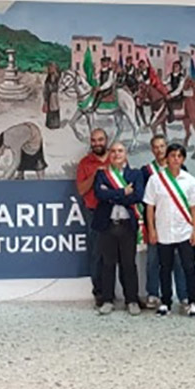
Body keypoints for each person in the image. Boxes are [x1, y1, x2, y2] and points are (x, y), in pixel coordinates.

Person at [144, 143, 195, 317]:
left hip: (184, 231)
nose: (176, 159)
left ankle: (193, 301)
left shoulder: (190, 180)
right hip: (163, 232)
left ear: (183, 159)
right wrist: (152, 230)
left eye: (179, 156)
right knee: (165, 268)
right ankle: (166, 302)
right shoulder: (155, 180)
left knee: (189, 267)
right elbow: (149, 207)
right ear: (167, 158)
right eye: (172, 156)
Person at [92, 141, 145, 315]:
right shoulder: (102, 174)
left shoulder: (135, 174)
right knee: (107, 264)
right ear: (109, 154)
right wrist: (123, 192)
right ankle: (107, 300)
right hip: (107, 225)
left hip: (127, 225)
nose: (116, 154)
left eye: (120, 151)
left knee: (128, 264)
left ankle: (132, 300)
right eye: (113, 151)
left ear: (126, 154)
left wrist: (112, 196)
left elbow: (137, 196)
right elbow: (100, 194)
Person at [142, 134, 188, 310]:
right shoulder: (147, 172)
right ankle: (153, 294)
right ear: (152, 150)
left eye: (162, 146)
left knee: (179, 261)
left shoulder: (182, 169)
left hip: (178, 224)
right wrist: (150, 227)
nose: (159, 150)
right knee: (153, 260)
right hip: (156, 223)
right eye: (155, 147)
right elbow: (146, 201)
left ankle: (183, 296)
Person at [75, 128, 109, 307]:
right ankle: (99, 292)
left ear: (106, 140)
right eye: (94, 140)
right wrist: (95, 175)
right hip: (94, 212)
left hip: (116, 212)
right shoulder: (85, 163)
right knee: (96, 253)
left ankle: (119, 293)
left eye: (100, 140)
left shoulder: (116, 158)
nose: (97, 143)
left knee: (119, 254)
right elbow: (81, 190)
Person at [42, 63, 61, 129]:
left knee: (55, 109)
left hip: (54, 96)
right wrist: (45, 99)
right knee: (50, 109)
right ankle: (50, 124)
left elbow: (58, 78)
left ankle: (56, 124)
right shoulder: (48, 80)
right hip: (50, 96)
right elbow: (46, 89)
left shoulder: (56, 77)